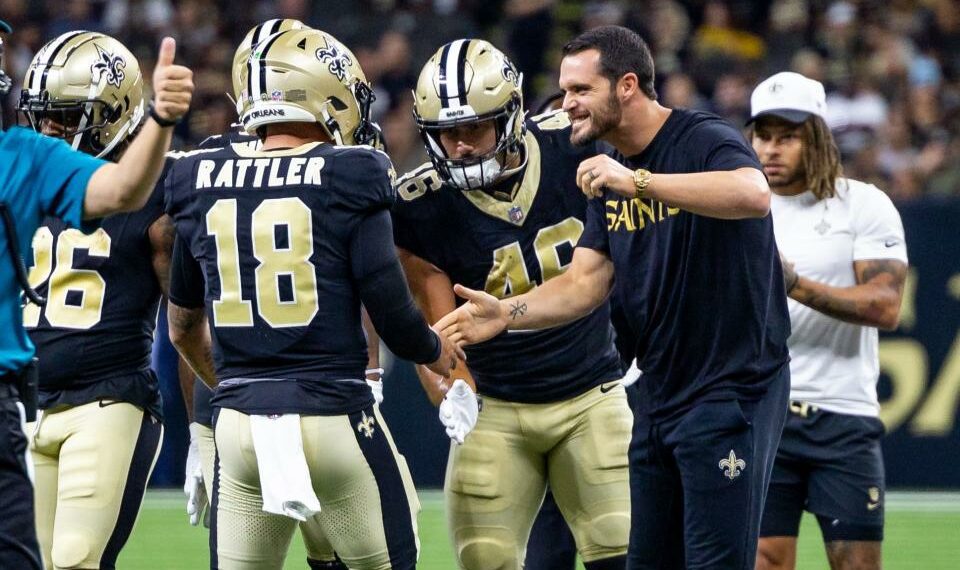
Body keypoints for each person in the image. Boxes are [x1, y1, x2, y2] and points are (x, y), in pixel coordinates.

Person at [435, 25, 791, 569]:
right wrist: (506, 314)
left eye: (581, 90)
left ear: (627, 85)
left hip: (731, 386)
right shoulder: (608, 171)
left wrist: (641, 182)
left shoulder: (699, 136)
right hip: (656, 393)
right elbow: (585, 283)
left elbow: (752, 192)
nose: (568, 104)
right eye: (565, 90)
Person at [164, 28, 457, 570]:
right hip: (330, 415)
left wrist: (235, 388)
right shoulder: (351, 173)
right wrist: (438, 352)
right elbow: (392, 312)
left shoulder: (194, 174)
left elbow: (181, 327)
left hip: (239, 426)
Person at [394, 39, 631, 570]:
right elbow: (428, 320)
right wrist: (450, 387)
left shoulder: (576, 147)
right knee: (486, 560)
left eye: (473, 127)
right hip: (495, 407)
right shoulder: (419, 205)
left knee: (621, 550)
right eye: (446, 132)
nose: (459, 146)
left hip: (589, 391)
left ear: (511, 114)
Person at [0, 19, 193, 569]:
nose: (49, 134)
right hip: (23, 404)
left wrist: (207, 421)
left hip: (106, 398)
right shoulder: (25, 174)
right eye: (42, 118)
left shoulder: (158, 194)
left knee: (76, 561)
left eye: (64, 121)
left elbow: (187, 320)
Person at [749, 72, 907, 570]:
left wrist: (793, 283)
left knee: (856, 564)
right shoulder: (738, 207)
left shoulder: (862, 203)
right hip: (761, 412)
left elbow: (885, 305)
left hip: (841, 416)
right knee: (764, 560)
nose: (772, 149)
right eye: (763, 135)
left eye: (788, 136)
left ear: (817, 135)